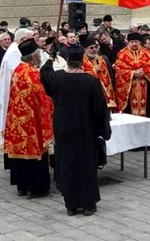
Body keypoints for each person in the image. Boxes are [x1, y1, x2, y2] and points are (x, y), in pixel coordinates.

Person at [40, 47, 111, 217]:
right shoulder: (91, 81)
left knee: (67, 163)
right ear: (82, 60)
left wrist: (51, 57)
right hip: (86, 130)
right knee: (86, 164)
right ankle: (88, 204)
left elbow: (44, 72)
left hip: (64, 129)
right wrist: (102, 129)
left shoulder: (58, 78)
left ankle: (71, 205)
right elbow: (100, 108)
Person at [4, 40, 54, 198]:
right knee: (34, 152)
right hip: (32, 122)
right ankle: (36, 188)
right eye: (38, 54)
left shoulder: (18, 70)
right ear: (33, 56)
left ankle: (22, 186)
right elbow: (44, 98)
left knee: (20, 152)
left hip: (18, 119)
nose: (40, 56)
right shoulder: (33, 73)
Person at [0, 28, 32, 154]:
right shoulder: (15, 52)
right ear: (23, 40)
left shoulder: (15, 49)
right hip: (15, 96)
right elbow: (21, 77)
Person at [114, 33, 150, 117]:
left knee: (147, 109)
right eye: (132, 42)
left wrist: (144, 71)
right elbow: (119, 69)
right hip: (129, 87)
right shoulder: (122, 53)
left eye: (136, 42)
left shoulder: (147, 52)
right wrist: (133, 73)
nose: (134, 44)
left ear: (140, 42)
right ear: (128, 42)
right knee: (129, 114)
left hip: (146, 84)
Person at [82, 37, 117, 110]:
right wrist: (94, 70)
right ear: (85, 49)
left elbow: (109, 75)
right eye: (91, 48)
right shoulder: (81, 61)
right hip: (91, 92)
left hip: (105, 91)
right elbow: (82, 76)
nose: (94, 49)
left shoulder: (103, 59)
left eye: (96, 47)